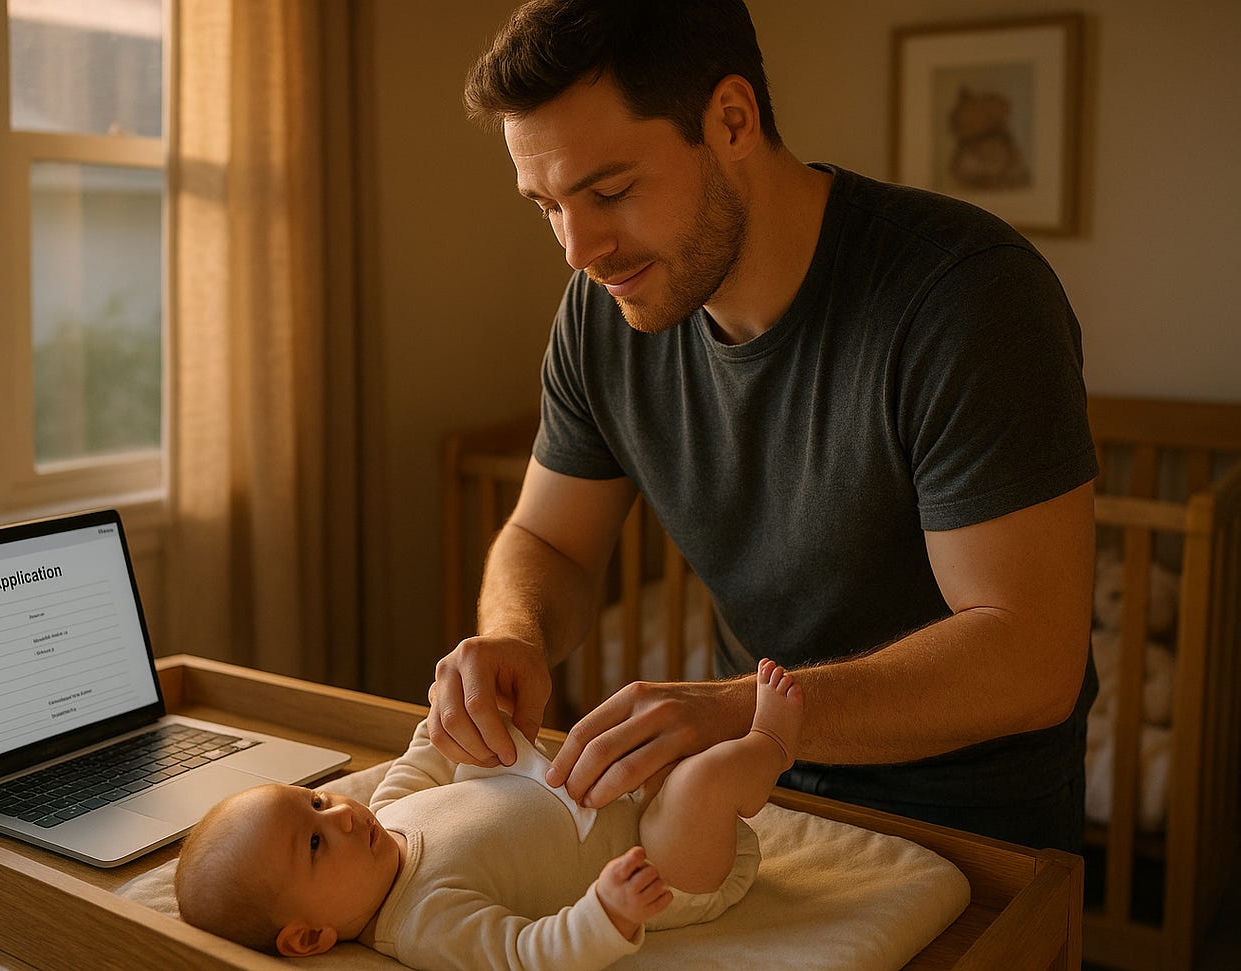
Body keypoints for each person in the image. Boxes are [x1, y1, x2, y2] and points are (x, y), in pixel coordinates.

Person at [426, 0, 1098, 854]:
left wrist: (740, 708)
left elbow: (1030, 658)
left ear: (733, 120)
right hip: (748, 794)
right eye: (546, 206)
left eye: (609, 192)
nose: (578, 248)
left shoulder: (967, 297)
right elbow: (549, 543)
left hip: (967, 823)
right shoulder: (601, 314)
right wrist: (514, 635)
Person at [175, 660, 804, 969]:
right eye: (313, 843)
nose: (339, 815)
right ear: (310, 937)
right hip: (669, 868)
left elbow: (427, 750)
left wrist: (451, 709)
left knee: (653, 741)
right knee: (700, 783)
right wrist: (605, 913)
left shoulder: (386, 813)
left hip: (628, 798)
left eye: (317, 800)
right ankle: (771, 746)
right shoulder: (423, 920)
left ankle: (738, 775)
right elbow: (525, 955)